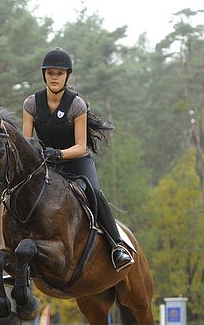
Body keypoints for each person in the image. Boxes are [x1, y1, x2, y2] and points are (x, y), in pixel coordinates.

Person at [22, 47, 133, 271]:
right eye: (50, 73)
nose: (54, 77)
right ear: (44, 74)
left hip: (76, 161)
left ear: (66, 76)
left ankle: (116, 246)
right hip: (48, 163)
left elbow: (81, 147)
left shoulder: (76, 105)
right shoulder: (31, 104)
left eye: (59, 73)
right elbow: (27, 141)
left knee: (94, 191)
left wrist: (59, 153)